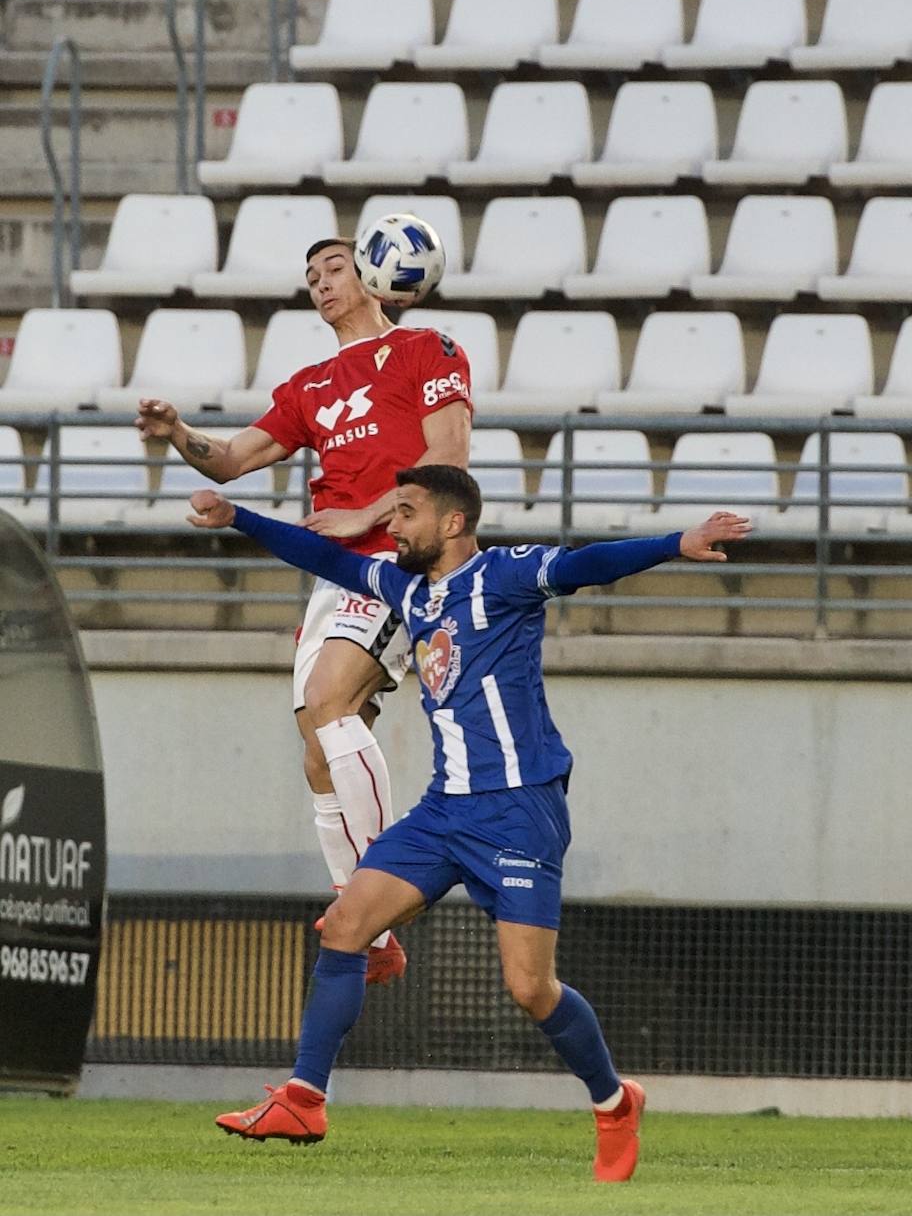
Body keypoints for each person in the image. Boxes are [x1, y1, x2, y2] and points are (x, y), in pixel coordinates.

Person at [187, 466, 751, 1182]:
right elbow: (331, 560)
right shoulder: (410, 590)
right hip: (444, 809)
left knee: (529, 989)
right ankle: (305, 1096)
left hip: (519, 810)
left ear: (453, 523)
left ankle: (614, 1102)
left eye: (407, 513)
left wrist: (678, 541)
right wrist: (237, 514)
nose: (393, 527)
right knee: (345, 926)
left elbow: (586, 564)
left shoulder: (506, 576)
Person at [135, 239, 471, 985]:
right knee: (317, 750)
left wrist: (365, 516)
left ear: (376, 274)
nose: (320, 283)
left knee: (327, 703)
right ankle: (373, 934)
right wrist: (179, 435)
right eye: (311, 277)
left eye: (335, 268)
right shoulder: (310, 385)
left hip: (393, 561)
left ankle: (381, 890)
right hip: (332, 576)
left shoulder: (427, 348)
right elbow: (229, 459)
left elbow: (449, 463)